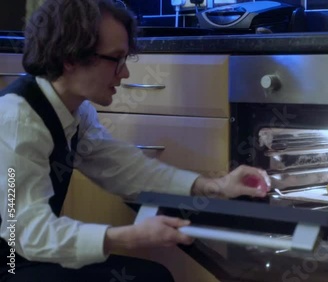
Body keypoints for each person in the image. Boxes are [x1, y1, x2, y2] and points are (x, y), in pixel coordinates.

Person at [0, 0, 270, 281]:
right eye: (116, 59)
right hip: (8, 263)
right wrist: (125, 237)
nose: (125, 72)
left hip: (28, 257)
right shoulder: (18, 121)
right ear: (71, 58)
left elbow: (122, 167)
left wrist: (214, 186)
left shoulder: (76, 112)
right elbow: (27, 234)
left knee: (153, 276)